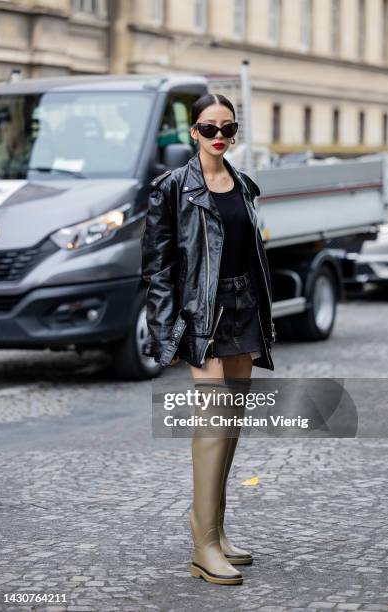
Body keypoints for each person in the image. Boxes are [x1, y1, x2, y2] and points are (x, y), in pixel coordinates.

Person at [141, 93, 276, 585]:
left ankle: (214, 532)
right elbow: (156, 268)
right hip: (202, 311)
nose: (220, 135)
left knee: (232, 422)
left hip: (243, 308)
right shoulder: (172, 188)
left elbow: (251, 255)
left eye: (228, 127)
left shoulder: (243, 184)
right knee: (214, 419)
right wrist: (166, 332)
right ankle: (202, 547)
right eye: (209, 127)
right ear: (193, 132)